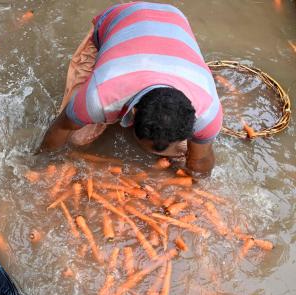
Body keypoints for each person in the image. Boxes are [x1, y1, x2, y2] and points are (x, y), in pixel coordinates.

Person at [38, 1, 222, 174]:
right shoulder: (99, 95)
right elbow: (61, 127)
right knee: (77, 140)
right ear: (133, 113)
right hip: (121, 18)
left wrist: (193, 188)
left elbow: (200, 162)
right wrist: (44, 165)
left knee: (180, 154)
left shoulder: (208, 114)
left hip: (175, 20)